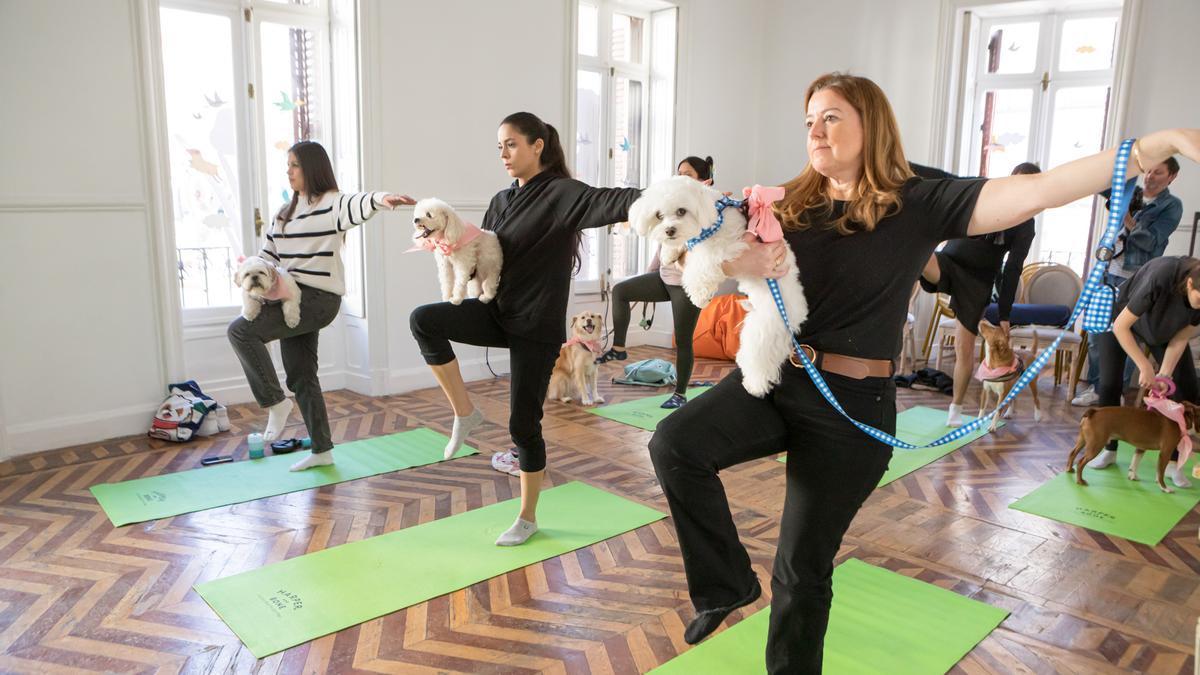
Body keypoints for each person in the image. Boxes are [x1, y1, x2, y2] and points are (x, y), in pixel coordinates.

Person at [646, 71, 1200, 673]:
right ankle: (725, 583)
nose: (816, 130)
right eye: (809, 120)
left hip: (853, 407)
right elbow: (679, 260)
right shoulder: (786, 202)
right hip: (781, 378)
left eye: (831, 116)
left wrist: (1156, 142)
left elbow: (1040, 190)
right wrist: (736, 257)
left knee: (800, 568)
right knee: (675, 442)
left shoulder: (918, 202)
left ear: (870, 124)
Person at [409, 112, 641, 546]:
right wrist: (449, 248)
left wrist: (674, 196)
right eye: (499, 146)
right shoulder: (500, 200)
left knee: (523, 425)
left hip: (535, 326)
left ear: (538, 146)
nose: (503, 153)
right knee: (424, 319)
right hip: (498, 312)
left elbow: (615, 200)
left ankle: (528, 517)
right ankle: (465, 412)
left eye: (511, 144)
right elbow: (489, 256)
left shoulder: (560, 193)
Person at [227, 141, 414, 471]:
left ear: (312, 169)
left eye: (294, 165)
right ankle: (322, 449)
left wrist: (382, 199)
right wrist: (247, 269)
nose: (288, 171)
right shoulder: (283, 215)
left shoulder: (331, 204)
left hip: (319, 299)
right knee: (301, 375)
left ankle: (274, 402)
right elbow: (268, 259)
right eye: (287, 165)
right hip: (290, 296)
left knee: (241, 331)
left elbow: (357, 203)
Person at [920, 162, 1039, 425]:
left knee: (965, 349)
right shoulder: (988, 189)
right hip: (949, 262)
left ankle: (956, 410)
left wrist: (1005, 314)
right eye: (1014, 181)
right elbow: (948, 180)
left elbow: (1013, 269)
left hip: (976, 281)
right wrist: (904, 167)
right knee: (916, 248)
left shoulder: (1025, 224)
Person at [595, 155, 713, 408]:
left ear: (702, 180)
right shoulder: (671, 205)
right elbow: (663, 244)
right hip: (663, 277)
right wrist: (650, 273)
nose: (680, 177)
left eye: (688, 174)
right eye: (678, 172)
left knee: (683, 340)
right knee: (621, 290)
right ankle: (619, 347)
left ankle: (680, 394)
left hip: (686, 285)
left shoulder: (703, 210)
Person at [1074, 157, 1183, 406]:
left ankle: (1116, 390)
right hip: (1106, 270)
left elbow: (1152, 240)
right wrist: (1128, 167)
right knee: (1096, 331)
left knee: (1126, 335)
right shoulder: (1129, 192)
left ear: (1171, 177)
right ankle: (1097, 387)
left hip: (1136, 279)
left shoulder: (1171, 206)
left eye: (1158, 173)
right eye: (1148, 171)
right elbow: (1099, 183)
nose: (1150, 177)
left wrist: (1130, 223)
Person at [1084, 255, 1198, 487]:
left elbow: (1180, 338)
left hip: (1162, 332)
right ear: (1189, 284)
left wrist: (1164, 374)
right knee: (1109, 384)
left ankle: (1174, 463)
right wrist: (1144, 366)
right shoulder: (1161, 276)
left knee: (1187, 387)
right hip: (1123, 322)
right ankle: (1109, 449)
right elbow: (1121, 326)